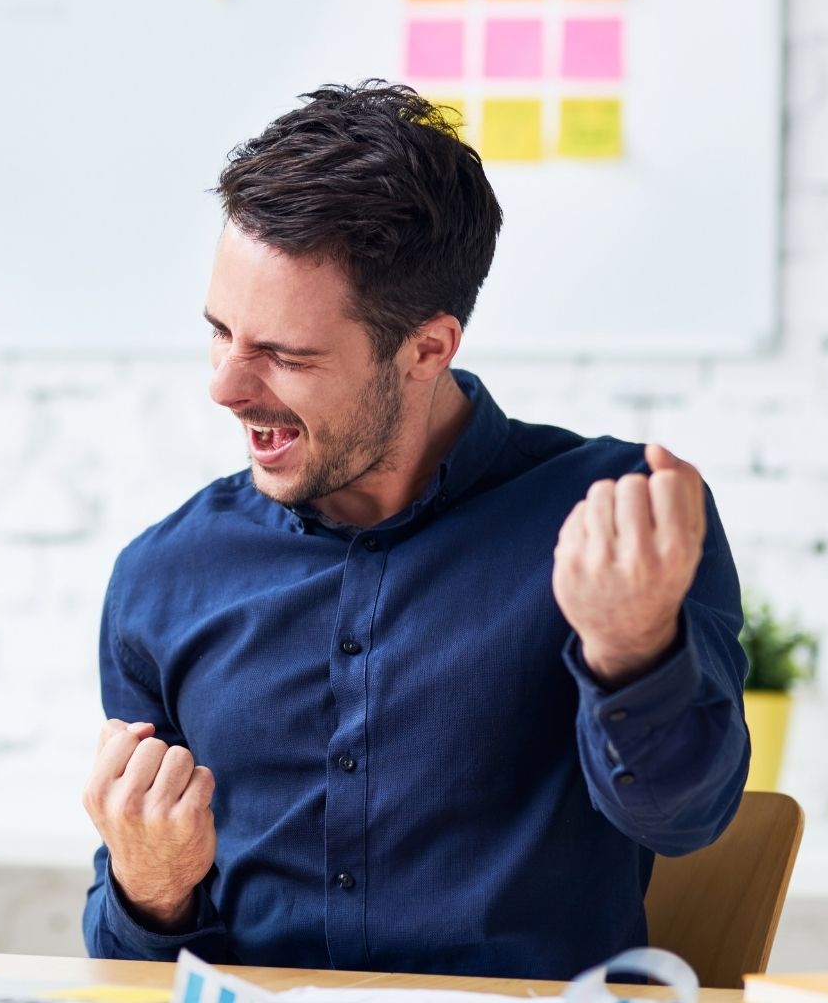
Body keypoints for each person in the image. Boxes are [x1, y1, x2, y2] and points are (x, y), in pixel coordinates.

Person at [79, 82, 748, 979]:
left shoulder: (615, 518)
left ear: (428, 348)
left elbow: (687, 819)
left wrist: (634, 648)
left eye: (283, 353)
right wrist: (148, 889)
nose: (227, 387)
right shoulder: (165, 577)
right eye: (220, 332)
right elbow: (127, 967)